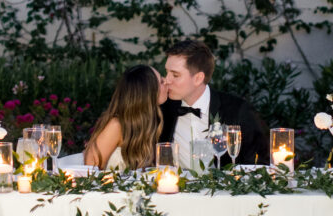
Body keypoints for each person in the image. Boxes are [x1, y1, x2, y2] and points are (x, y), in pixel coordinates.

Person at [160, 39, 269, 167]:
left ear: (198, 78)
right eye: (167, 72)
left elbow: (260, 162)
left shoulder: (237, 110)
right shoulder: (163, 109)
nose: (167, 80)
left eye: (175, 75)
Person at [84, 64, 168, 169]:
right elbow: (89, 171)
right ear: (147, 93)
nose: (166, 81)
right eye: (161, 81)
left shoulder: (147, 123)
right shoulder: (116, 125)